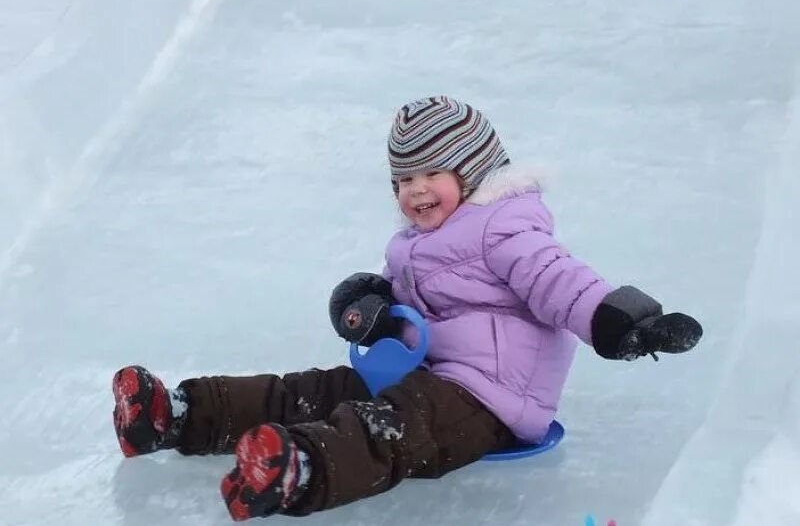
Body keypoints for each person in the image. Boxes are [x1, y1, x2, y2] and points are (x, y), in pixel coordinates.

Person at [112, 96, 703, 521]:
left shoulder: (507, 227)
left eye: (431, 173)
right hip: (419, 371)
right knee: (316, 390)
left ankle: (300, 468)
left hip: (489, 396)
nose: (416, 190)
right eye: (403, 178)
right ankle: (181, 414)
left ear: (471, 172)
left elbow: (561, 283)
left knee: (394, 427)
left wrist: (627, 320)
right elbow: (405, 306)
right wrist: (369, 305)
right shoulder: (415, 243)